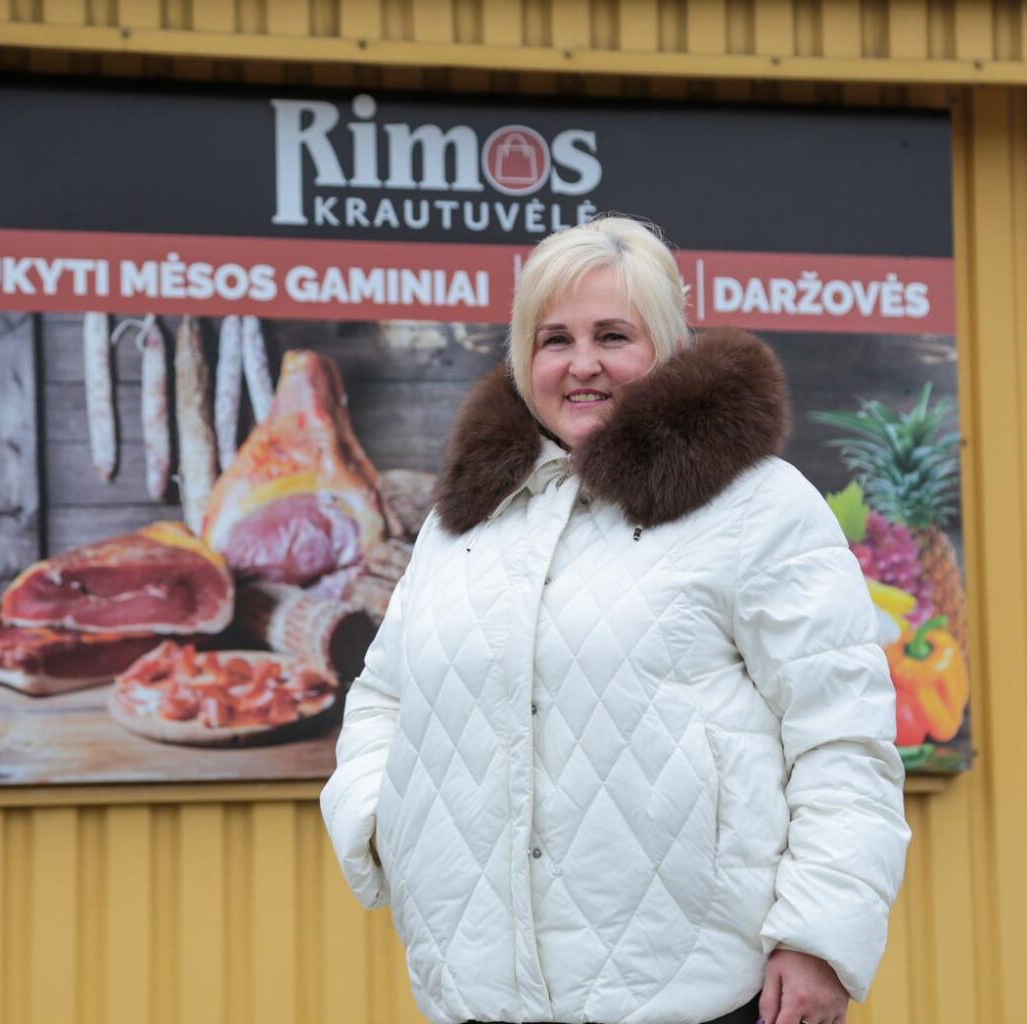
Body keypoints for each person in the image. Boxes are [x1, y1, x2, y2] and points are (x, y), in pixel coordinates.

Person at [321, 216, 910, 1024]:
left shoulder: (757, 504)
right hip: (480, 992)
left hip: (698, 992)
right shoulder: (465, 520)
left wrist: (819, 937)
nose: (582, 364)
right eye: (554, 338)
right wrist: (385, 827)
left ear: (665, 347)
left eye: (613, 335)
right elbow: (383, 697)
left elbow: (841, 737)